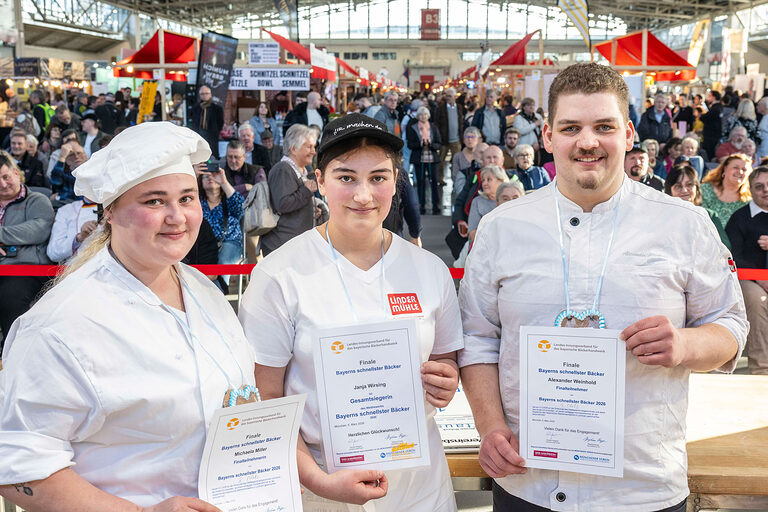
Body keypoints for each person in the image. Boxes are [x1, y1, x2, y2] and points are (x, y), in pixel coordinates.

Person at [459, 62, 747, 512]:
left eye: (604, 127)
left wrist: (685, 344)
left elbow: (730, 325)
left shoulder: (684, 224)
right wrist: (491, 426)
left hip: (641, 487)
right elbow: (478, 339)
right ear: (548, 137)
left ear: (628, 134)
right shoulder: (502, 228)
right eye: (571, 128)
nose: (588, 141)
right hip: (528, 483)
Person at [0, 122, 254, 511]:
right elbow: (17, 463)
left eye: (187, 198)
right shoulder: (61, 325)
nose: (177, 217)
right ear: (111, 213)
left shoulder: (204, 292)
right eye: (154, 201)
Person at [239, 113, 463, 512]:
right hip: (321, 488)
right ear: (320, 181)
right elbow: (264, 398)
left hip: (419, 486)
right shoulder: (280, 274)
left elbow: (444, 358)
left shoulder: (429, 270)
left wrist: (446, 379)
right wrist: (318, 481)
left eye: (378, 178)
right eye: (346, 177)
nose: (363, 195)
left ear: (396, 180)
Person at [0, 151, 54, 346]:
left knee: (10, 298)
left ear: (16, 172)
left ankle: (15, 352)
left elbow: (38, 230)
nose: (3, 184)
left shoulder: (37, 200)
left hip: (26, 268)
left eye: (6, 177)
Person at [725, 165, 768, 374]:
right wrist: (761, 279)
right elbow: (733, 257)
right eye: (760, 186)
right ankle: (761, 368)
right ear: (750, 189)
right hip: (748, 279)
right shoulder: (739, 218)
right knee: (758, 302)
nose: (766, 190)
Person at [260, 123, 318, 256]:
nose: (313, 151)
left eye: (314, 147)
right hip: (283, 247)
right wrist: (306, 191)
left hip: (293, 245)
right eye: (309, 147)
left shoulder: (298, 170)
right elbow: (283, 204)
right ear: (294, 149)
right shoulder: (283, 169)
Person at [199, 166, 245, 292]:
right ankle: (212, 295)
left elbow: (241, 206)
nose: (210, 178)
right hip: (205, 245)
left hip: (230, 242)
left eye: (213, 176)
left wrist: (224, 182)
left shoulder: (229, 199)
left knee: (223, 262)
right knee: (202, 267)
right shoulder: (198, 202)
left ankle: (219, 294)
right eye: (205, 177)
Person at [664, 162, 730, 248]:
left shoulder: (709, 215)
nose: (684, 190)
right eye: (678, 186)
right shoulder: (664, 217)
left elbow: (724, 246)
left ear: (697, 188)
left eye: (689, 185)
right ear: (669, 191)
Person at [407, 105, 442, 214]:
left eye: (425, 114)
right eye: (421, 114)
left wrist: (431, 145)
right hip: (419, 158)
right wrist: (420, 144)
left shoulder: (433, 127)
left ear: (428, 116)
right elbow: (410, 144)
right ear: (418, 116)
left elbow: (439, 143)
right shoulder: (413, 127)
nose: (423, 116)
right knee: (420, 182)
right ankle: (421, 205)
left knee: (434, 182)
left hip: (432, 158)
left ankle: (436, 205)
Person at [702, 153, 753, 226]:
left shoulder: (750, 201)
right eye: (736, 167)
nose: (740, 172)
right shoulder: (705, 190)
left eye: (744, 169)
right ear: (725, 168)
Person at [46, 197, 99, 263]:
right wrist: (79, 238)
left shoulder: (110, 209)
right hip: (74, 267)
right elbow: (53, 252)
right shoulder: (66, 210)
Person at [468, 165, 508, 241]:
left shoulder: (511, 199)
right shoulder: (477, 202)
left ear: (501, 181)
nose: (484, 183)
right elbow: (472, 234)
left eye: (489, 180)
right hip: (483, 244)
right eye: (483, 180)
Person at [433, 88, 464, 187]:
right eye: (446, 96)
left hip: (456, 140)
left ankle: (456, 180)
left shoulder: (459, 108)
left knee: (457, 162)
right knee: (441, 161)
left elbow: (461, 122)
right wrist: (438, 137)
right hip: (444, 140)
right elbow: (436, 123)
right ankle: (440, 179)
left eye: (450, 96)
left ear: (455, 97)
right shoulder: (440, 109)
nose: (447, 98)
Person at [190, 86, 224, 158]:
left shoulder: (217, 108)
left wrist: (215, 131)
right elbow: (193, 121)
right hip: (199, 135)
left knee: (213, 155)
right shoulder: (196, 108)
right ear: (200, 95)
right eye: (202, 94)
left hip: (212, 136)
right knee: (199, 156)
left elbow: (220, 122)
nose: (204, 95)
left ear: (210, 94)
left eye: (206, 93)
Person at [50, 141, 88, 205]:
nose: (76, 157)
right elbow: (55, 181)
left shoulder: (93, 172)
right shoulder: (65, 175)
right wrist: (62, 157)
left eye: (79, 153)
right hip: (66, 206)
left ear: (85, 156)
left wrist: (60, 196)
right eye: (71, 155)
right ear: (67, 160)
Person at [452, 126, 481, 195]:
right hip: (461, 188)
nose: (469, 139)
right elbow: (455, 175)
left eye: (472, 137)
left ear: (478, 140)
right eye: (467, 137)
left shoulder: (481, 155)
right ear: (464, 140)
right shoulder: (457, 156)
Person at [701, 90, 723, 160]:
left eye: (710, 96)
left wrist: (703, 114)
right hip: (714, 136)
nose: (708, 98)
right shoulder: (719, 108)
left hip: (711, 137)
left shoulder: (715, 109)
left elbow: (704, 118)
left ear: (714, 97)